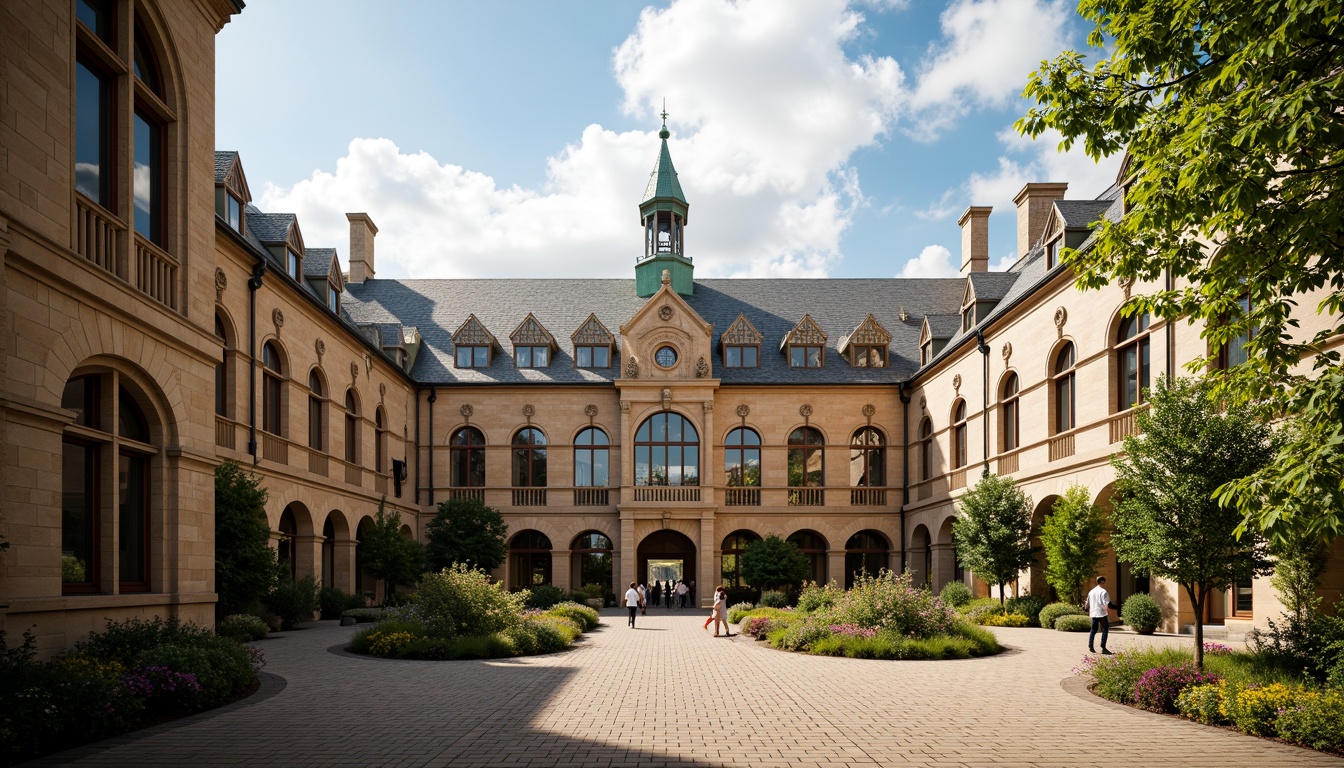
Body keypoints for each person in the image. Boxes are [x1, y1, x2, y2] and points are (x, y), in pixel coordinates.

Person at [1086, 576, 1119, 654]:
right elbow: (1107, 604)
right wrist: (1116, 608)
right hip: (1101, 613)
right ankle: (1103, 647)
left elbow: (1088, 604)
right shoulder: (1103, 592)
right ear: (1103, 582)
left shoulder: (1091, 591)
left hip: (1093, 613)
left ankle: (1091, 646)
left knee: (1093, 630)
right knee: (1105, 629)